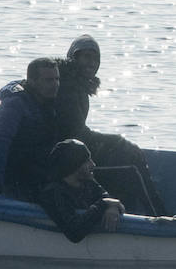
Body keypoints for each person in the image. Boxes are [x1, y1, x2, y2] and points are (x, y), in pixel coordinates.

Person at [54, 35, 166, 215]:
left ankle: (137, 213)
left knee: (128, 155)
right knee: (131, 169)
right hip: (63, 163)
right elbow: (77, 134)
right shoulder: (68, 88)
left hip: (72, 155)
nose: (91, 62)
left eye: (95, 58)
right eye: (86, 57)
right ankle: (159, 217)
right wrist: (117, 140)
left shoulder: (77, 85)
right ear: (73, 58)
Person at [0, 57, 60, 202]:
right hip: (17, 181)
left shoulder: (48, 104)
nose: (55, 84)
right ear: (33, 82)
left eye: (57, 79)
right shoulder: (14, 105)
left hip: (40, 175)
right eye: (49, 80)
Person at [37, 139, 126, 242]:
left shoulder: (88, 184)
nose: (93, 164)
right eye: (87, 161)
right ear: (74, 165)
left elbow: (111, 201)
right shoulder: (52, 193)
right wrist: (104, 204)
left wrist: (113, 206)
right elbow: (74, 232)